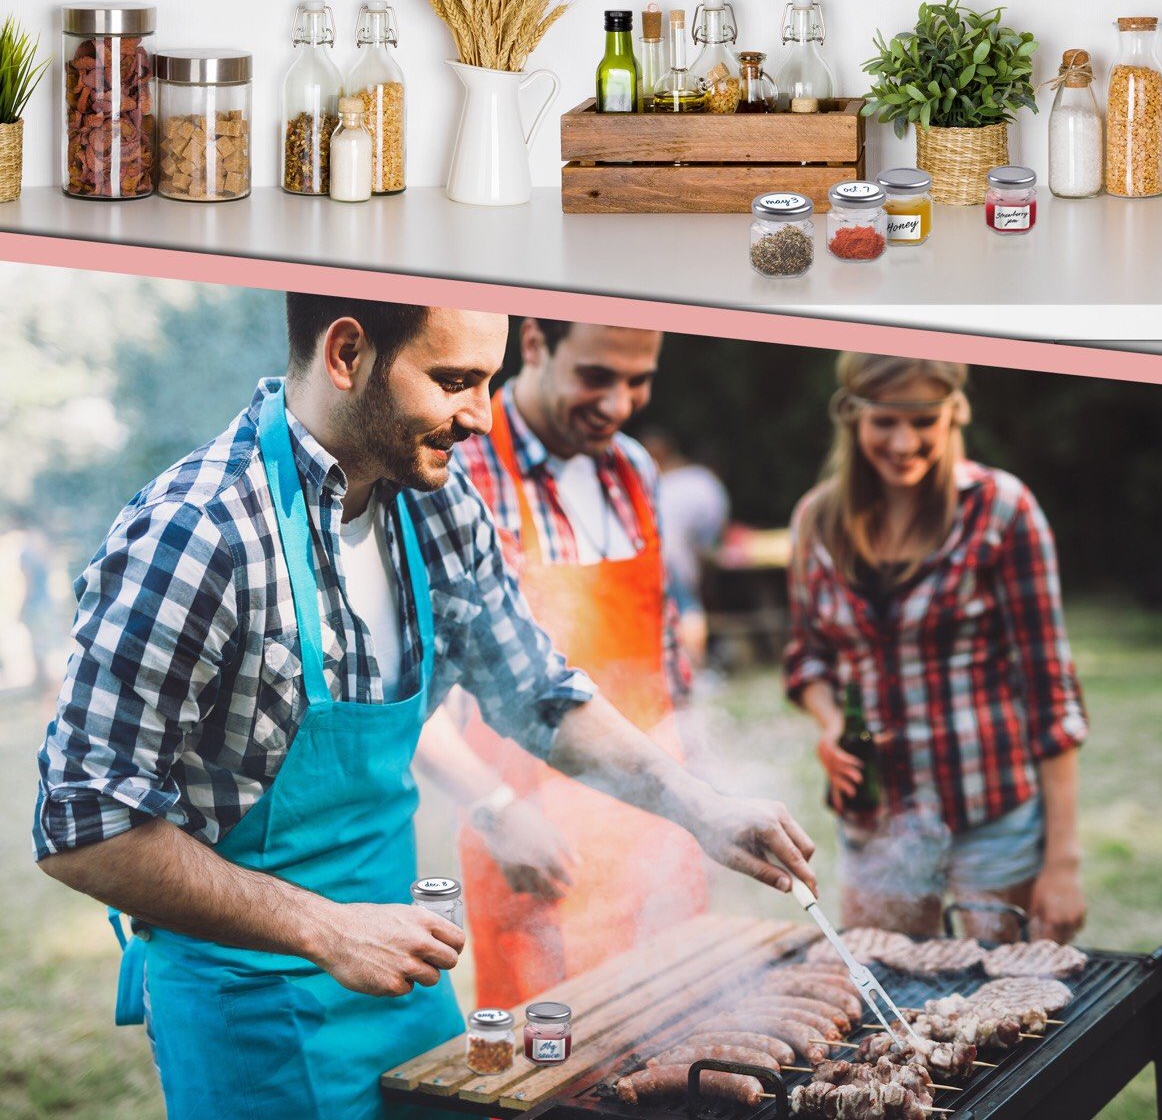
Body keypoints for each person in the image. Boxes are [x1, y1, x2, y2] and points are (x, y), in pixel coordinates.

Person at [33, 297, 816, 1120]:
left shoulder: (433, 501)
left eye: (489, 380)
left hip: (406, 981)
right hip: (250, 1008)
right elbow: (85, 829)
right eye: (454, 381)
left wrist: (703, 808)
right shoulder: (197, 535)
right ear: (346, 355)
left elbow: (538, 694)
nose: (481, 415)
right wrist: (329, 931)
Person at [426, 319, 709, 1008]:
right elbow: (419, 688)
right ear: (533, 346)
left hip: (655, 832)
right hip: (536, 838)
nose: (617, 404)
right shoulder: (459, 467)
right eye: (595, 376)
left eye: (638, 381)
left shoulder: (636, 469)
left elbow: (666, 660)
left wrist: (704, 796)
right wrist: (494, 808)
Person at [785, 353, 1088, 944]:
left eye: (924, 420)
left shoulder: (1002, 510)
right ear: (853, 417)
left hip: (991, 813)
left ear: (955, 413)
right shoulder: (816, 522)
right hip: (876, 824)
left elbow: (1050, 689)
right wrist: (827, 722)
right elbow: (807, 655)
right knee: (892, 1002)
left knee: (1005, 1007)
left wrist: (1064, 860)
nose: (904, 442)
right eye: (885, 422)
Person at [639, 427, 731, 675]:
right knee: (688, 609)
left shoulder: (658, 482)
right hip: (675, 555)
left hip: (648, 553)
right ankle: (696, 671)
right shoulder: (701, 481)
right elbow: (712, 531)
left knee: (673, 613)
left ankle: (683, 671)